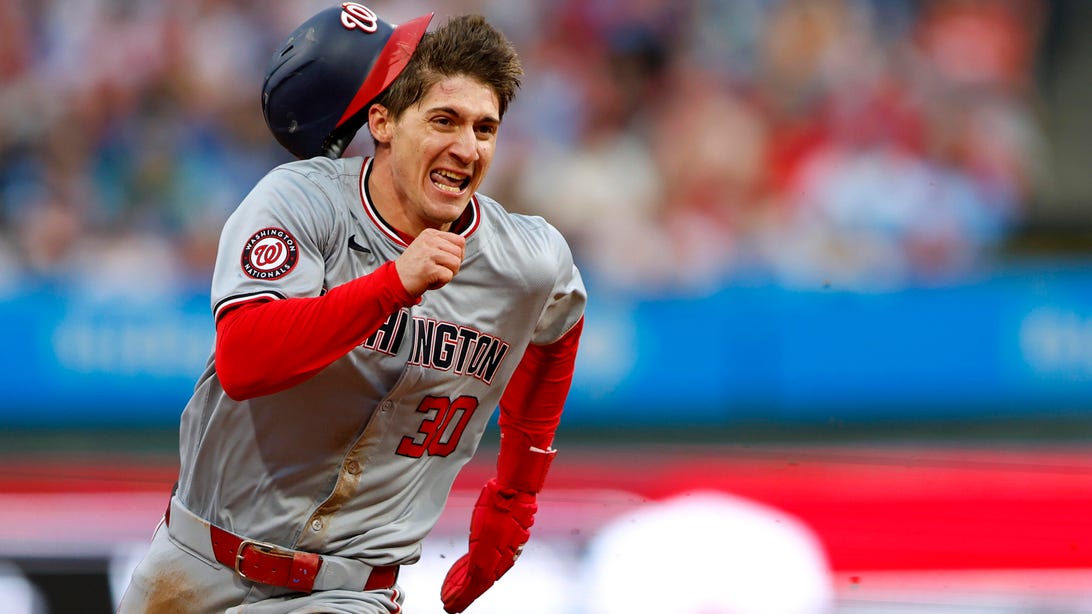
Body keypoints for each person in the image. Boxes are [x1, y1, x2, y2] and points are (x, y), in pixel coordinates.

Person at [117, 3, 586, 613]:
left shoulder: (525, 260)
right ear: (384, 121)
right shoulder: (302, 202)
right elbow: (245, 360)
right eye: (444, 120)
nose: (466, 147)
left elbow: (558, 329)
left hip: (347, 590)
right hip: (194, 567)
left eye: (484, 128)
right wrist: (392, 284)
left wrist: (514, 500)